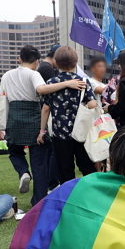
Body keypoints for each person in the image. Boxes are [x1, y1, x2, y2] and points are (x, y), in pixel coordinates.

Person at [0, 45, 80, 206]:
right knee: (40, 163)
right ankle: (38, 200)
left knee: (14, 152)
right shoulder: (34, 74)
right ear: (36, 61)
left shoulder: (6, 75)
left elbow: (2, 98)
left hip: (14, 118)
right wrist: (66, 83)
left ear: (19, 58)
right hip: (33, 117)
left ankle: (23, 171)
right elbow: (42, 89)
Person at [39, 46, 97, 184]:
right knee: (87, 167)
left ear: (56, 62)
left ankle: (69, 197)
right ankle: (93, 194)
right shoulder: (83, 82)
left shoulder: (51, 83)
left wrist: (42, 131)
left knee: (65, 170)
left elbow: (46, 109)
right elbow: (93, 104)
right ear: (75, 62)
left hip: (60, 134)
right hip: (81, 133)